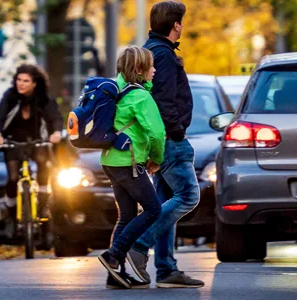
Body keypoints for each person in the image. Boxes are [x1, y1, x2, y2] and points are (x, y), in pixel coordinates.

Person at [127, 1, 205, 288]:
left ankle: (167, 269)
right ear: (175, 25)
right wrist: (177, 134)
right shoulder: (163, 54)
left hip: (161, 140)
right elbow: (163, 102)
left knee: (164, 203)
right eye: (181, 22)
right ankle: (138, 244)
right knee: (187, 196)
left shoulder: (152, 50)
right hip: (170, 141)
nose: (182, 26)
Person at [98, 46, 165, 289]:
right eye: (151, 66)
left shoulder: (115, 88)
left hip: (110, 161)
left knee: (126, 215)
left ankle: (115, 275)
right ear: (139, 69)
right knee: (153, 210)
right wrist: (155, 159)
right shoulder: (140, 96)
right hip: (129, 162)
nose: (155, 70)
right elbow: (157, 133)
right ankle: (113, 255)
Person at [0, 64, 63, 225]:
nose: (21, 83)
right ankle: (12, 215)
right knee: (12, 178)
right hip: (13, 140)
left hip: (37, 140)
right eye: (19, 80)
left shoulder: (43, 98)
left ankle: (42, 206)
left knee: (43, 167)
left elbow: (55, 117)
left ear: (34, 83)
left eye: (26, 81)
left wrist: (56, 132)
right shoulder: (10, 96)